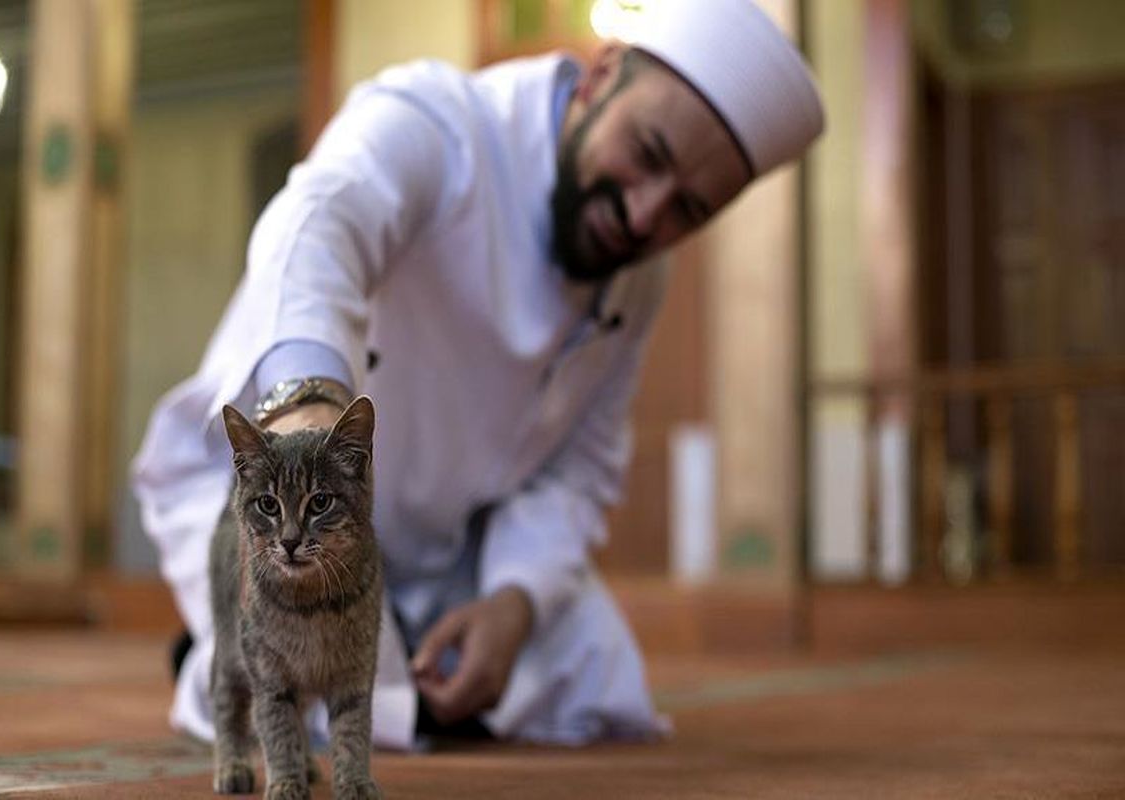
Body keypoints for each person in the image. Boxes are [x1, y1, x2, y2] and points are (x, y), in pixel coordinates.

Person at [133, 0, 824, 750]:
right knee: (306, 690)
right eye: (649, 154)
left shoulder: (639, 277)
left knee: (595, 671)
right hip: (285, 507)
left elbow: (576, 468)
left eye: (687, 207)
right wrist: (307, 408)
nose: (643, 213)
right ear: (599, 80)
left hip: (441, 558)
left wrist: (514, 601)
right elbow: (318, 226)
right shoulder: (440, 121)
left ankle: (411, 668)